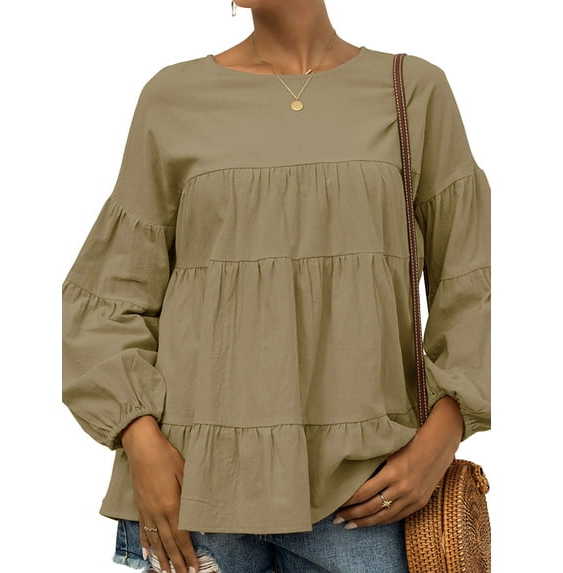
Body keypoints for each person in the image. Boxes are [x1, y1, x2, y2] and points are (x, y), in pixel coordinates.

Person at [61, 0, 491, 571]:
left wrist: (444, 433)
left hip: (366, 491)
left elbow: (469, 280)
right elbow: (110, 292)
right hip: (194, 487)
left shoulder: (411, 91)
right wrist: (140, 440)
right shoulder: (173, 98)